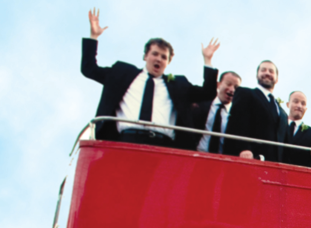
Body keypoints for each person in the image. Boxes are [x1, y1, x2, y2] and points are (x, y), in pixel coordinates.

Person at [81, 9, 219, 149]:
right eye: (155, 54)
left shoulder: (179, 85)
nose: (159, 59)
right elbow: (89, 69)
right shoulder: (121, 73)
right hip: (126, 141)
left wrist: (207, 60)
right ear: (145, 56)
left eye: (164, 57)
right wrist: (93, 36)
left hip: (163, 145)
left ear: (168, 62)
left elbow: (208, 93)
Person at [224, 61, 288, 162]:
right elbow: (237, 122)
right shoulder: (245, 93)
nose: (267, 73)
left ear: (277, 79)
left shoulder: (282, 112)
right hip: (251, 158)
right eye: (263, 70)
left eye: (271, 71)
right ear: (257, 75)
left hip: (276, 164)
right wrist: (243, 148)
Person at [191, 71, 241, 154]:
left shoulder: (237, 116)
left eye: (236, 87)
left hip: (222, 159)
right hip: (195, 155)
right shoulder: (200, 105)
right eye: (228, 84)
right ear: (218, 84)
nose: (232, 89)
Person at [281, 90, 311, 169]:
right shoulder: (277, 126)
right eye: (296, 101)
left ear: (306, 109)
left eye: (303, 103)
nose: (299, 106)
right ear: (288, 104)